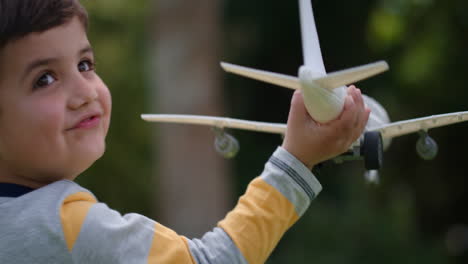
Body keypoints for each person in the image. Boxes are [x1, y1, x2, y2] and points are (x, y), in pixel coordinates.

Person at [0, 0, 370, 263]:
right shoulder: (72, 227)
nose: (84, 93)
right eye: (44, 79)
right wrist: (297, 162)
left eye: (85, 64)